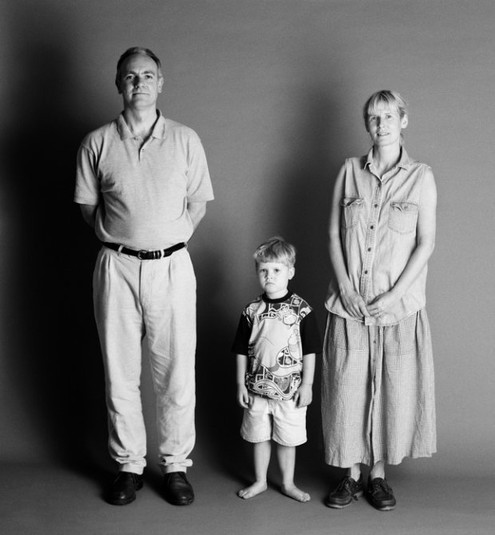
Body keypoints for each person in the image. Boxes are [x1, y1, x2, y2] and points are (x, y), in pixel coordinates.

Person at [74, 47, 214, 506]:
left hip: (172, 267)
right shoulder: (97, 142)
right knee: (120, 372)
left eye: (148, 75)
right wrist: (123, 238)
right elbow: (88, 207)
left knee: (177, 373)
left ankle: (175, 466)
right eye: (131, 76)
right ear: (119, 83)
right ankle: (129, 466)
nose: (140, 83)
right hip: (116, 267)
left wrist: (167, 241)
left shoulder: (185, 139)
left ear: (161, 82)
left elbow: (197, 203)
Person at [322, 90, 437, 512]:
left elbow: (425, 243)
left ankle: (377, 476)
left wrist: (394, 295)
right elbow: (333, 233)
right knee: (347, 389)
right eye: (373, 117)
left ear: (403, 120)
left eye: (388, 116)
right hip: (350, 305)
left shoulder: (421, 177)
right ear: (366, 125)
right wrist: (346, 289)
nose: (381, 124)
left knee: (391, 390)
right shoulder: (348, 171)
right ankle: (350, 475)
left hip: (397, 308)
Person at [232, 237, 321, 502]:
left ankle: (288, 483)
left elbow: (310, 350)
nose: (269, 276)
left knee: (286, 439)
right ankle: (260, 480)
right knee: (259, 437)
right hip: (256, 389)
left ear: (290, 272)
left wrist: (307, 385)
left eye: (276, 270)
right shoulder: (251, 311)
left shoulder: (302, 310)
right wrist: (240, 384)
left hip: (290, 390)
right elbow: (240, 350)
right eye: (263, 270)